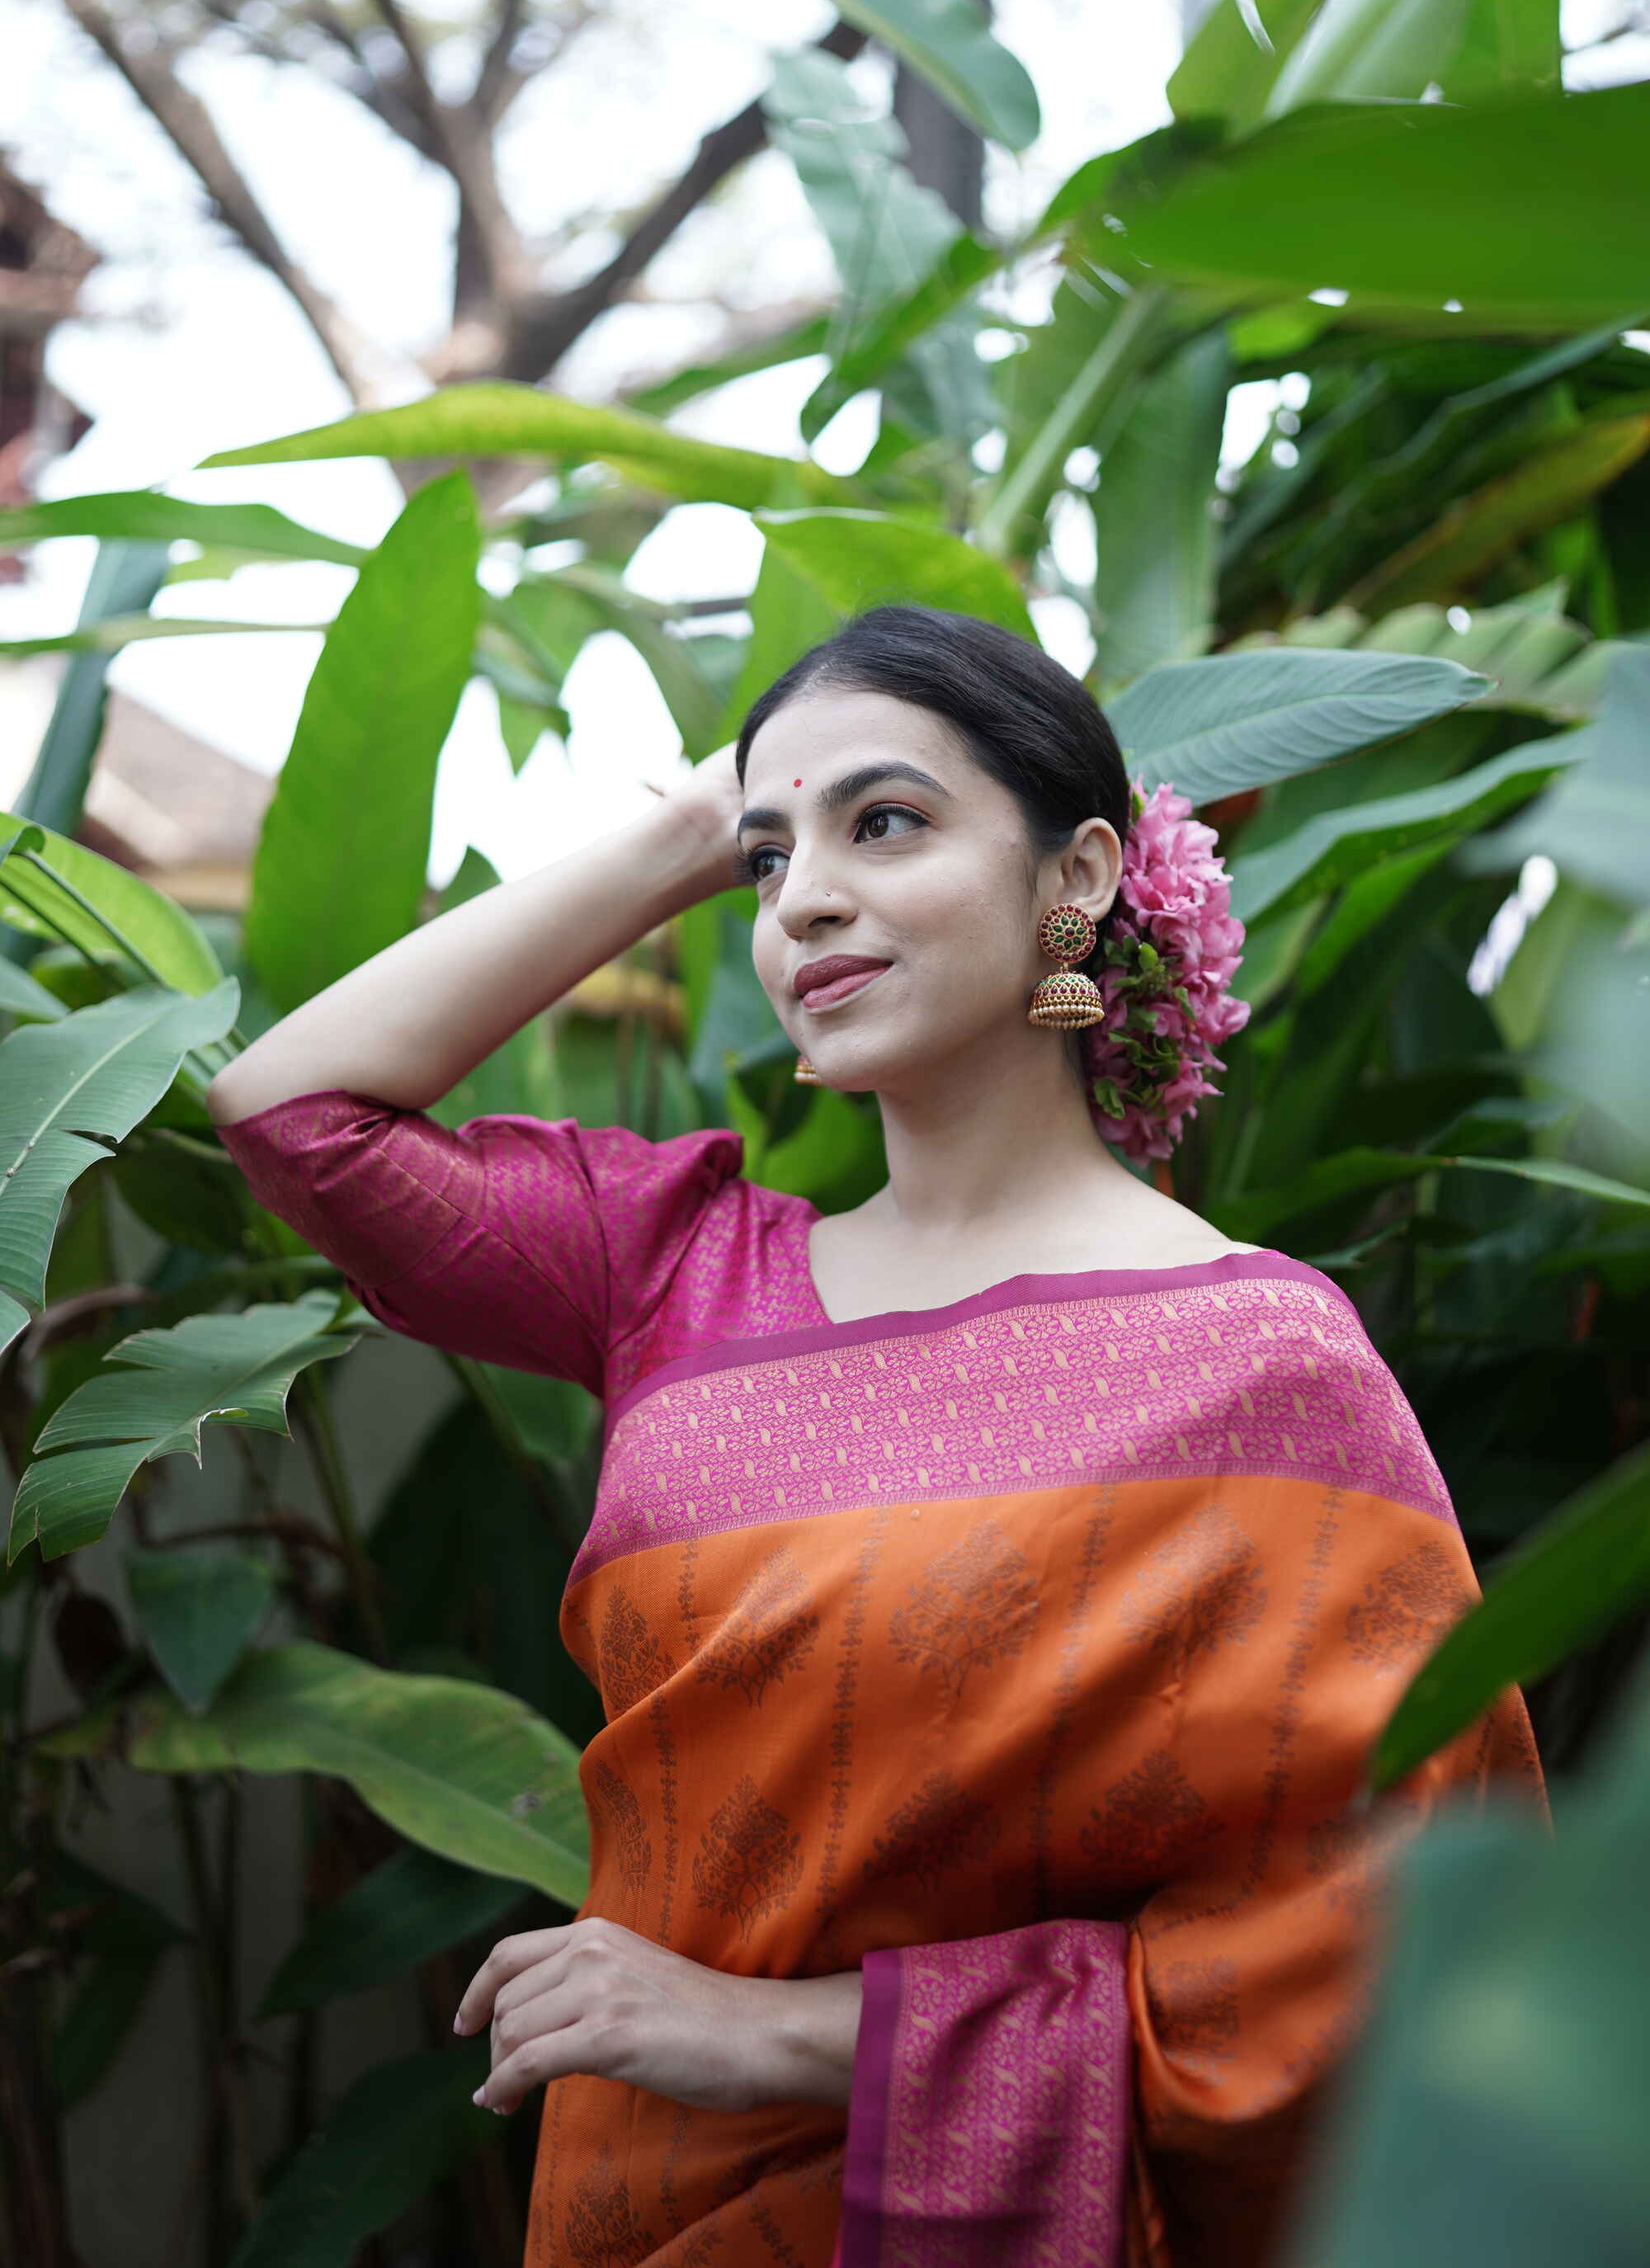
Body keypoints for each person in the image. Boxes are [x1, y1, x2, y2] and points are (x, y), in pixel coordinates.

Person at [205, 602, 1548, 2268]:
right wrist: (693, 827)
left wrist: (779, 2032)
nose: (805, 899)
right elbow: (291, 1117)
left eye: (885, 822)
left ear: (1077, 878)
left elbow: (1391, 1935)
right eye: (772, 859)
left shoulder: (1263, 1366)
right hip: (646, 2205)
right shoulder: (675, 1277)